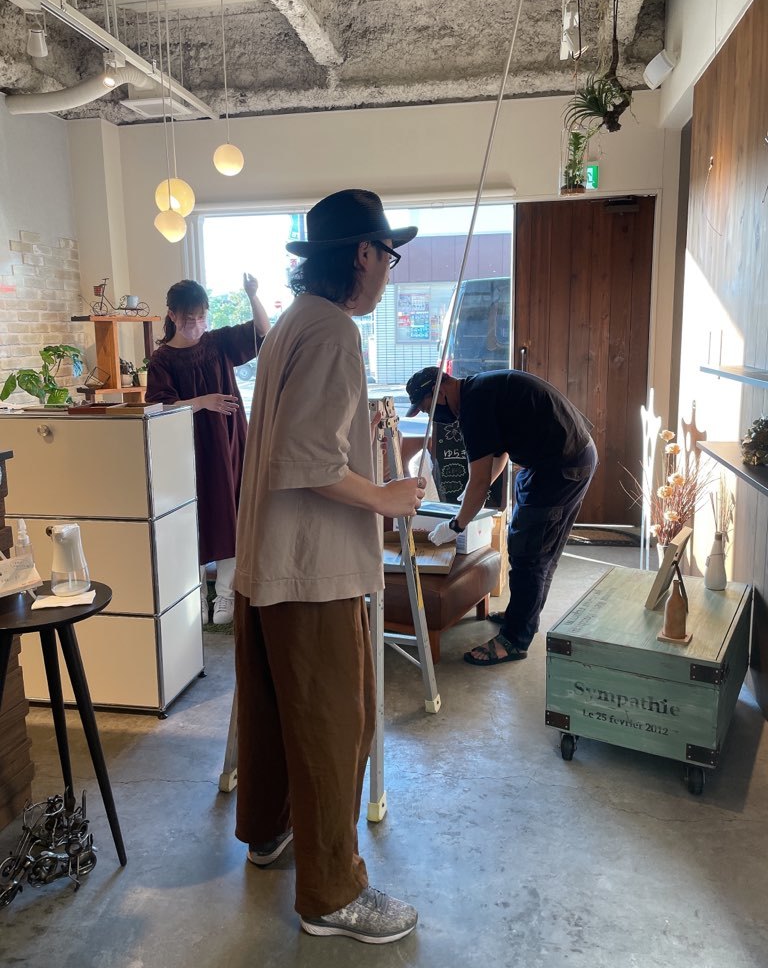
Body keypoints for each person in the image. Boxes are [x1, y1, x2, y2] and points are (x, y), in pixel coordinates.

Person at [233, 189, 425, 944]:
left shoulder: (293, 322)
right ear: (363, 254)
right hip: (312, 571)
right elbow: (306, 459)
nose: (389, 272)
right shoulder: (334, 331)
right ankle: (332, 894)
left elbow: (299, 441)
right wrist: (384, 495)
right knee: (335, 727)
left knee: (276, 713)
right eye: (389, 256)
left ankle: (271, 831)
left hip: (269, 562)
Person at [405, 366, 597, 666]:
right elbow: (500, 452)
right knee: (531, 544)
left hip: (561, 466)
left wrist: (456, 525)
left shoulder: (474, 406)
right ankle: (522, 614)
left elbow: (480, 480)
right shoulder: (479, 390)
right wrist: (470, 492)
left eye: (428, 408)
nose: (432, 416)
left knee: (531, 553)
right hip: (558, 459)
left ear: (440, 390)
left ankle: (515, 639)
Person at [146, 274, 269, 625]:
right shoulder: (162, 360)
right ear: (172, 315)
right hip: (186, 449)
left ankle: (226, 595)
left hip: (229, 443)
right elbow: (159, 407)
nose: (197, 325)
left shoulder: (218, 342)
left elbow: (263, 332)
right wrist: (203, 401)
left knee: (231, 513)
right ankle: (195, 594)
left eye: (201, 317)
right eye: (189, 318)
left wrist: (252, 295)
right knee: (192, 517)